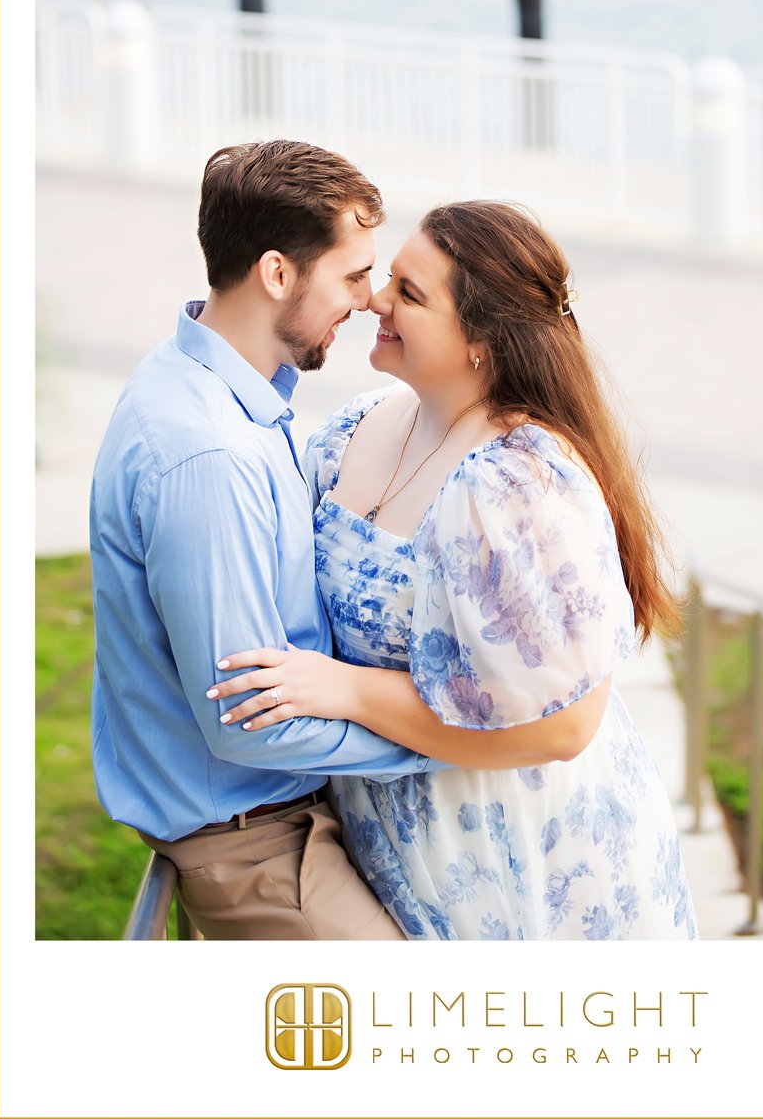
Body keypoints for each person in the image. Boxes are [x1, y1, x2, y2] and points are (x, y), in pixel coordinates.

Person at [208, 201, 699, 941]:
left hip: (532, 857)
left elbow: (567, 728)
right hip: (400, 842)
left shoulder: (521, 483)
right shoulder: (358, 425)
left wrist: (346, 689)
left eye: (409, 293)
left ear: (481, 342)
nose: (374, 299)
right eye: (389, 280)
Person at [90, 139, 444, 941]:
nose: (369, 299)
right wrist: (449, 746)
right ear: (278, 274)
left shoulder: (206, 384)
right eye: (353, 275)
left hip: (279, 824)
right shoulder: (209, 454)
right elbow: (250, 721)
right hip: (256, 850)